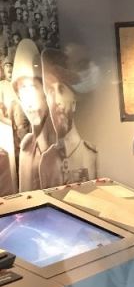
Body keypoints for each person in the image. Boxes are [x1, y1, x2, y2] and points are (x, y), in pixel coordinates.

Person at [38, 48, 97, 186]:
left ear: (74, 101)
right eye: (50, 91)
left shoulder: (91, 154)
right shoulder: (46, 161)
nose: (56, 101)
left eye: (62, 89)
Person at [11, 38, 56, 191]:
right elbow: (26, 200)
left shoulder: (61, 145)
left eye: (32, 87)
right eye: (22, 90)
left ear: (45, 91)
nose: (29, 101)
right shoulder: (26, 148)